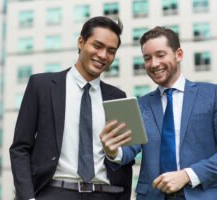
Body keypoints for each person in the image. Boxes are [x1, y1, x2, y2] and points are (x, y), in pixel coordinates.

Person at [101, 26, 217, 200]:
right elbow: (127, 151)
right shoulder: (140, 105)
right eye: (147, 58)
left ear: (179, 55)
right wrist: (112, 150)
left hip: (205, 194)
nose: (154, 64)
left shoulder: (212, 95)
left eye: (160, 55)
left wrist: (187, 175)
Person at [9, 16, 134, 200]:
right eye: (97, 46)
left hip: (105, 194)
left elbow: (126, 157)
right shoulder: (41, 85)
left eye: (111, 51)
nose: (102, 55)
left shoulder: (119, 97)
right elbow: (20, 148)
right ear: (81, 42)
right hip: (54, 192)